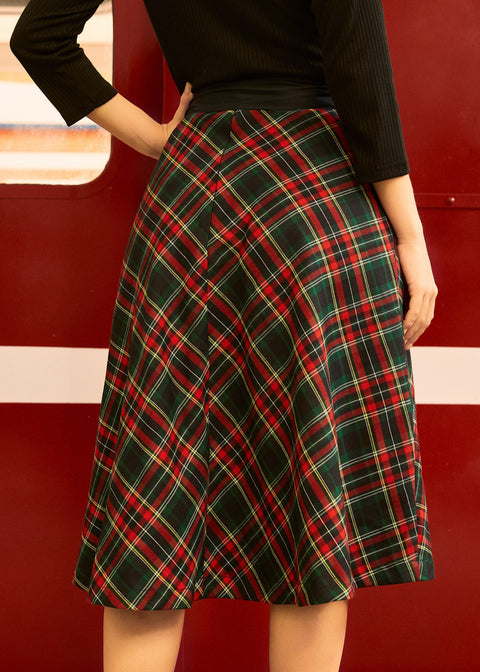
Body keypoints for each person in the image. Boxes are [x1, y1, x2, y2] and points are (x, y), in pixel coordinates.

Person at [11, 1, 437, 671]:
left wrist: (155, 139)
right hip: (310, 199)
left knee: (157, 486)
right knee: (310, 499)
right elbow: (363, 80)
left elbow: (40, 38)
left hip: (191, 193)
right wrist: (410, 237)